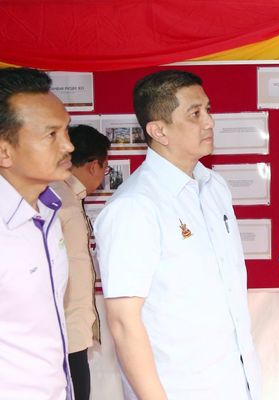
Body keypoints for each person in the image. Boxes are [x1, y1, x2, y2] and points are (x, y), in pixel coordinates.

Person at [94, 70, 261, 400]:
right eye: (195, 113)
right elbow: (124, 322)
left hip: (235, 380)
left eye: (208, 109)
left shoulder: (215, 187)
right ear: (159, 131)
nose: (209, 121)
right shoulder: (134, 206)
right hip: (178, 388)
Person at [0, 67, 74, 399]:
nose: (69, 145)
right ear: (4, 151)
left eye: (66, 130)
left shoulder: (48, 210)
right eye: (51, 135)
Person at [50, 124, 111, 400]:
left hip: (68, 331)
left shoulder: (65, 196)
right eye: (105, 169)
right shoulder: (62, 201)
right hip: (65, 333)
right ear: (93, 165)